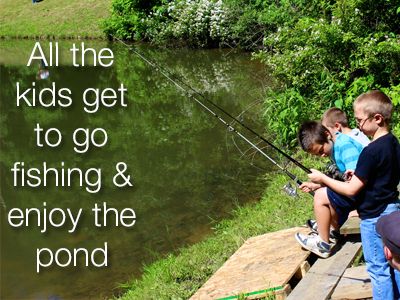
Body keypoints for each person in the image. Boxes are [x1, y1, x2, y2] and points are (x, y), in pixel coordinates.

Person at [307, 90, 400, 299]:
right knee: (396, 263)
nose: (357, 125)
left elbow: (351, 190)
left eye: (359, 120)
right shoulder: (393, 143)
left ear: (377, 118)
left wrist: (323, 179)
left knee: (378, 270)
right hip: (393, 209)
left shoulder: (371, 151)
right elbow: (383, 173)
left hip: (373, 217)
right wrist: (357, 174)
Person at [295, 120, 364, 258]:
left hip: (365, 197)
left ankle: (323, 244)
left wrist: (323, 179)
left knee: (320, 196)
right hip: (358, 196)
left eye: (321, 150)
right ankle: (331, 229)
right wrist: (317, 184)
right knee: (323, 193)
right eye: (317, 154)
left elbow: (358, 183)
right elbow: (342, 180)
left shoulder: (345, 147)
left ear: (327, 134)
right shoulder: (335, 146)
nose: (322, 155)